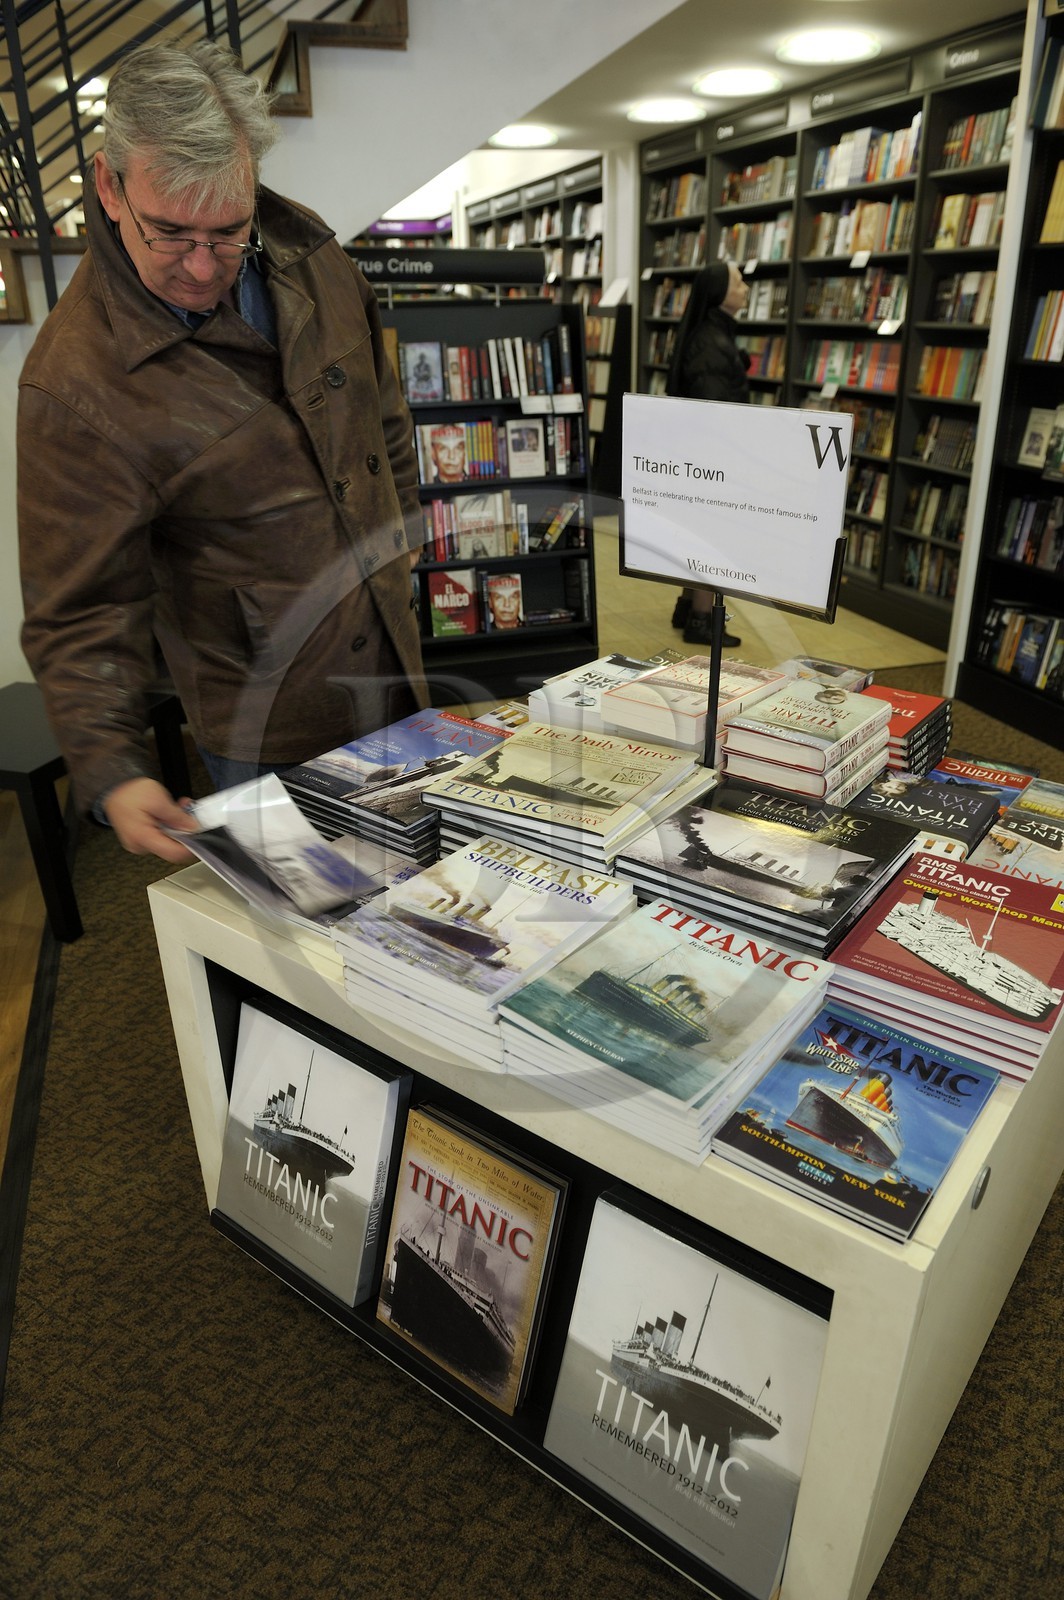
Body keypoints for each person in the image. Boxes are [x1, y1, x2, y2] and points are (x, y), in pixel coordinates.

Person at [18, 39, 427, 865]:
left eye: (227, 231)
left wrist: (403, 536)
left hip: (393, 650)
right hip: (266, 712)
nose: (202, 267)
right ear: (109, 185)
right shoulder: (74, 383)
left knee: (421, 893)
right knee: (306, 939)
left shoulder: (309, 249)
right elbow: (80, 608)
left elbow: (381, 415)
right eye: (169, 233)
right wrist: (113, 767)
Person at [664, 259, 751, 649]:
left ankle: (687, 605)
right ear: (719, 294)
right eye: (738, 281)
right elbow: (713, 406)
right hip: (711, 457)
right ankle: (701, 618)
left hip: (697, 454)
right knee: (710, 538)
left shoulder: (710, 336)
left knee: (698, 533)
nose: (745, 287)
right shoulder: (711, 343)